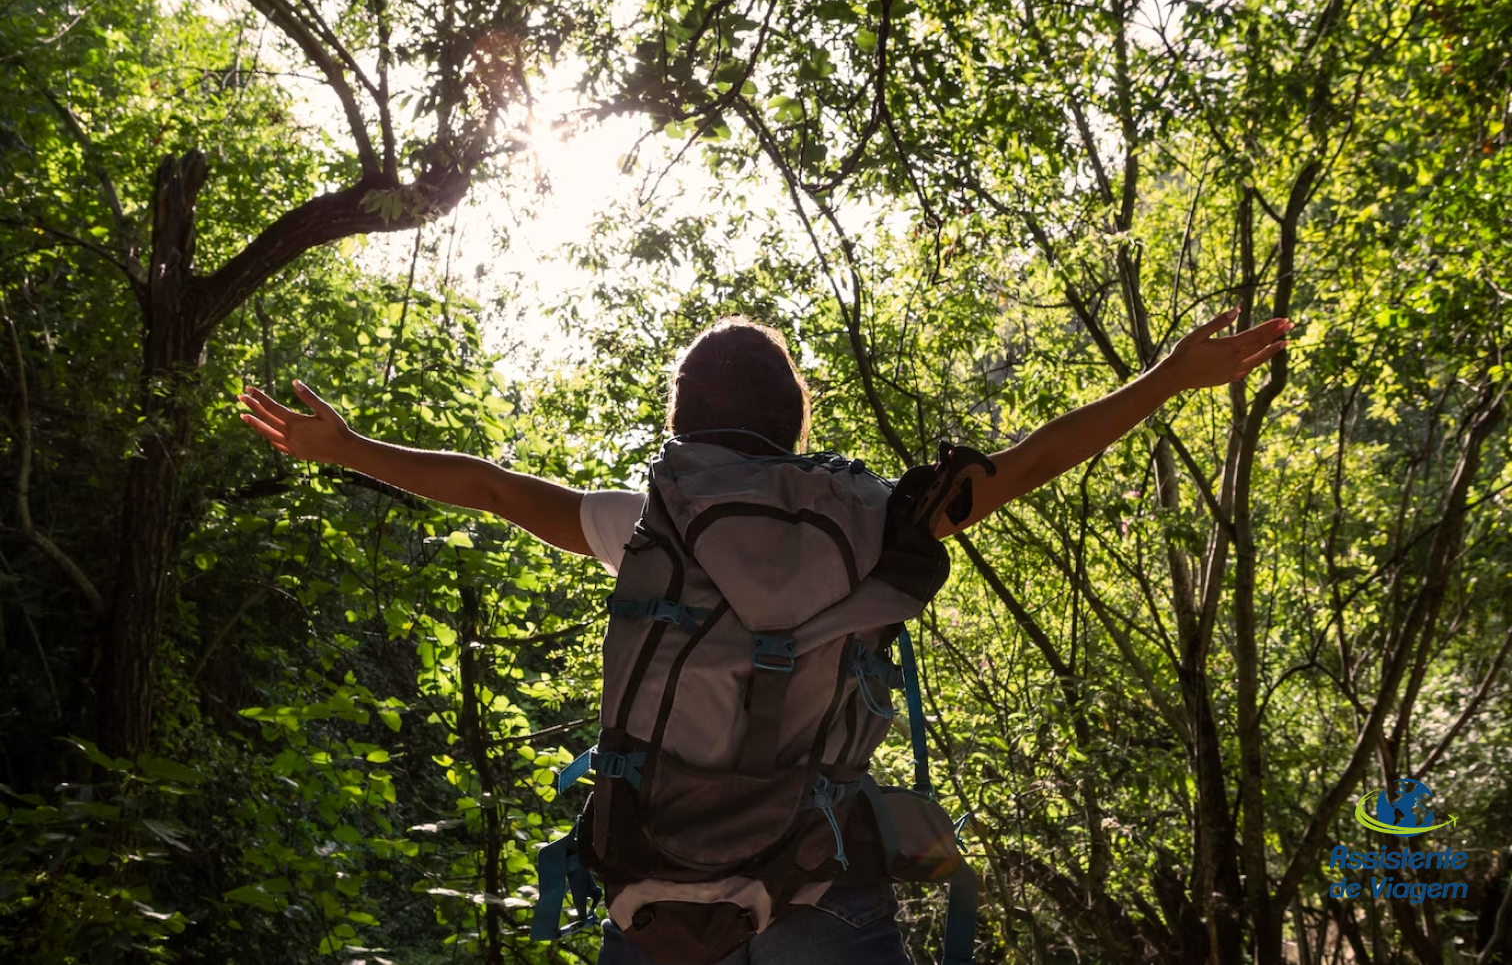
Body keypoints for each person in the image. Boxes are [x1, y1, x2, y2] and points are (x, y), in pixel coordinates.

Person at [237, 309, 1291, 963]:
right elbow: (1016, 464)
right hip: (822, 876)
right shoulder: (868, 513)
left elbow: (497, 490)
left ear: (680, 421)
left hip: (656, 873)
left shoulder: (651, 518)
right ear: (794, 421)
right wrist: (1169, 378)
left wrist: (348, 447)